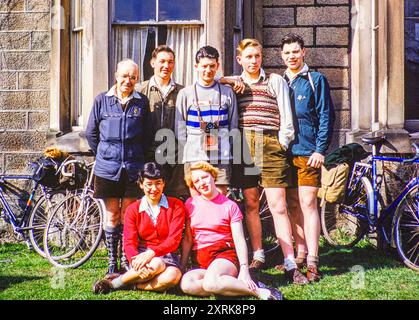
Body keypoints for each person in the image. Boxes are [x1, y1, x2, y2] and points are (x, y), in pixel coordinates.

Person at [226, 39, 308, 284]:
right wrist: (231, 80)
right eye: (248, 57)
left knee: (278, 205)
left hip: (271, 144)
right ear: (240, 59)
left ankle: (290, 262)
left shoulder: (274, 81)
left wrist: (282, 142)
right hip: (244, 145)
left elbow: (286, 116)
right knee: (251, 203)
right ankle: (258, 254)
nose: (254, 61)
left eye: (257, 56)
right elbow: (214, 79)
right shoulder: (236, 85)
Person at [86, 58, 152, 278]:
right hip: (108, 169)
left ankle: (127, 258)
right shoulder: (101, 101)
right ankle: (112, 262)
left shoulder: (141, 102)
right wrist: (105, 154)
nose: (128, 81)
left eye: (133, 77)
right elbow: (91, 134)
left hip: (133, 168)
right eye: (124, 76)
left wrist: (135, 156)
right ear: (116, 76)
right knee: (112, 214)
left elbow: (147, 136)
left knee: (128, 215)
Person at [179, 161, 282, 300]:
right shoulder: (190, 204)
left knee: (209, 283)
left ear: (213, 176)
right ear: (193, 186)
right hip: (201, 259)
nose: (202, 183)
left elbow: (239, 239)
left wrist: (245, 269)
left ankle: (260, 292)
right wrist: (182, 266)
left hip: (224, 256)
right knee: (187, 284)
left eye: (204, 177)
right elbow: (188, 239)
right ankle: (227, 286)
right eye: (196, 181)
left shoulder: (230, 205)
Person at [279, 33, 335, 282]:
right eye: (287, 52)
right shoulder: (279, 81)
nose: (291, 56)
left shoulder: (315, 80)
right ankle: (299, 254)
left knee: (308, 203)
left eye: (295, 51)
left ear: (304, 53)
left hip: (308, 152)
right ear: (281, 56)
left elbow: (326, 116)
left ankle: (313, 260)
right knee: (291, 205)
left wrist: (320, 149)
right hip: (284, 152)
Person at [92, 162, 185, 294]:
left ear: (164, 183)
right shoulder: (133, 209)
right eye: (149, 184)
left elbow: (173, 240)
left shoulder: (176, 205)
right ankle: (112, 284)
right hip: (141, 256)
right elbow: (129, 243)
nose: (154, 188)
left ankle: (127, 284)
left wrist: (152, 253)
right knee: (156, 264)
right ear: (141, 184)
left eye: (158, 183)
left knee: (173, 277)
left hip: (168, 254)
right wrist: (135, 259)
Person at [175, 46, 239, 196]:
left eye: (212, 66)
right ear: (196, 67)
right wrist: (191, 148)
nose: (208, 70)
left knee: (220, 200)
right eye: (204, 66)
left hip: (221, 157)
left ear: (217, 66)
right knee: (197, 203)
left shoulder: (227, 92)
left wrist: (225, 148)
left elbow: (233, 125)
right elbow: (180, 128)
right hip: (195, 156)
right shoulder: (186, 93)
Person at [136, 45, 189, 200]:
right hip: (148, 157)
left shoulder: (182, 92)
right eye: (162, 61)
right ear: (153, 63)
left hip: (175, 159)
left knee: (173, 203)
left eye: (170, 62)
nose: (166, 66)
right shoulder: (140, 90)